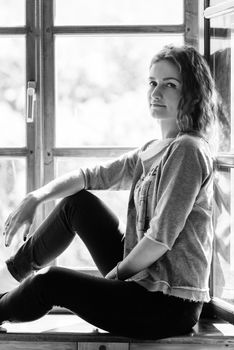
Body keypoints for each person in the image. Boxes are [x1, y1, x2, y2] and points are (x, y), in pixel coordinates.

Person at [0, 44, 217, 339]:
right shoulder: (151, 151)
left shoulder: (188, 150)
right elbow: (90, 176)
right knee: (77, 203)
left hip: (167, 305)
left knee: (50, 281)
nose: (156, 93)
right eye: (152, 83)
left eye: (170, 85)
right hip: (141, 283)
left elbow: (159, 240)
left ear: (191, 94)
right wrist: (35, 197)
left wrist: (115, 278)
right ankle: (6, 279)